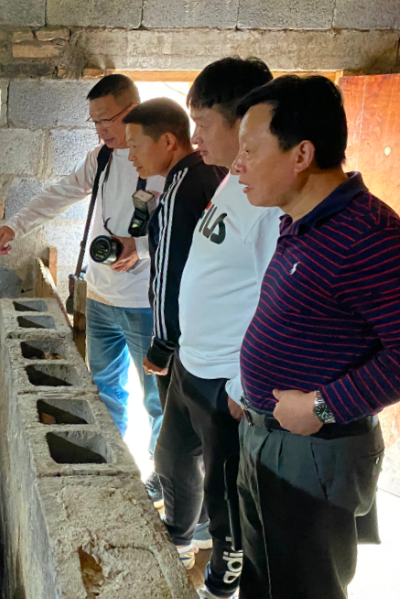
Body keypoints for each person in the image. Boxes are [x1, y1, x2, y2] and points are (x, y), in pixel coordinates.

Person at [234, 75, 400, 599]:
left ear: (301, 153)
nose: (237, 166)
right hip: (266, 434)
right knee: (263, 578)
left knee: (306, 587)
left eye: (249, 150)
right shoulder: (300, 220)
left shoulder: (370, 235)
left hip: (315, 450)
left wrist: (324, 407)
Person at [0, 75, 169, 504]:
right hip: (101, 296)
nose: (101, 130)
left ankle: (165, 480)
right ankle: (112, 468)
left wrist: (140, 248)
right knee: (104, 390)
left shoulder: (163, 163)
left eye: (108, 120)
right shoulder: (101, 158)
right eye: (95, 122)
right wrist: (16, 224)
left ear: (133, 110)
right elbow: (63, 192)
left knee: (156, 400)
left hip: (145, 302)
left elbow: (183, 230)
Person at [152, 57, 277, 599]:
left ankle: (220, 585)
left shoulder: (271, 203)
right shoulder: (231, 181)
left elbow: (276, 303)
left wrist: (244, 387)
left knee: (228, 496)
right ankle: (175, 545)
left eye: (203, 123)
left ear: (244, 121)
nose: (194, 136)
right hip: (191, 362)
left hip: (227, 380)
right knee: (172, 460)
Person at [121, 97, 228, 568]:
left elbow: (169, 272)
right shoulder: (211, 179)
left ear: (168, 141)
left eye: (135, 145)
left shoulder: (184, 185)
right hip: (206, 339)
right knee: (195, 444)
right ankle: (199, 529)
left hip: (189, 343)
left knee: (179, 448)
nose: (130, 156)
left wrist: (162, 342)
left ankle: (184, 536)